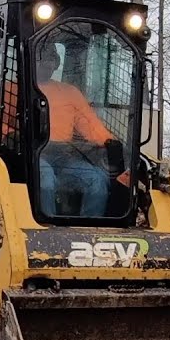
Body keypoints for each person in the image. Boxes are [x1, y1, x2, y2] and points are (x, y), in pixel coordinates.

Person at [35, 42, 122, 218]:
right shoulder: (15, 89)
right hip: (34, 155)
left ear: (56, 63)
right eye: (43, 58)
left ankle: (92, 230)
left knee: (96, 180)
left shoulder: (69, 92)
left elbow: (89, 123)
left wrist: (109, 142)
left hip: (64, 157)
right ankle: (46, 229)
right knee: (46, 179)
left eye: (51, 59)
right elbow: (0, 125)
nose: (47, 63)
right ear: (32, 60)